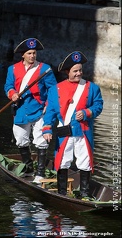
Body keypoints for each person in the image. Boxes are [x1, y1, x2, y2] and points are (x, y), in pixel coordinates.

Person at [42, 51, 103, 200]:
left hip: (83, 131)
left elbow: (98, 105)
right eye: (75, 71)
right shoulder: (55, 89)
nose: (79, 73)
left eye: (80, 70)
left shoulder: (92, 88)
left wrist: (87, 112)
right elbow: (50, 111)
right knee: (63, 161)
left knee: (85, 162)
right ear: (67, 72)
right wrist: (47, 128)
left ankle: (84, 194)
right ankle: (62, 193)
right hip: (64, 131)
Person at [4, 37, 57, 184]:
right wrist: (12, 94)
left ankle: (40, 173)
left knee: (41, 139)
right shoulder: (13, 69)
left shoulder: (45, 70)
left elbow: (53, 89)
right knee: (21, 138)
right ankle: (28, 169)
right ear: (23, 55)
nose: (32, 56)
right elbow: (8, 86)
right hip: (20, 108)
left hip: (40, 109)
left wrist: (49, 105)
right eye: (29, 53)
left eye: (34, 53)